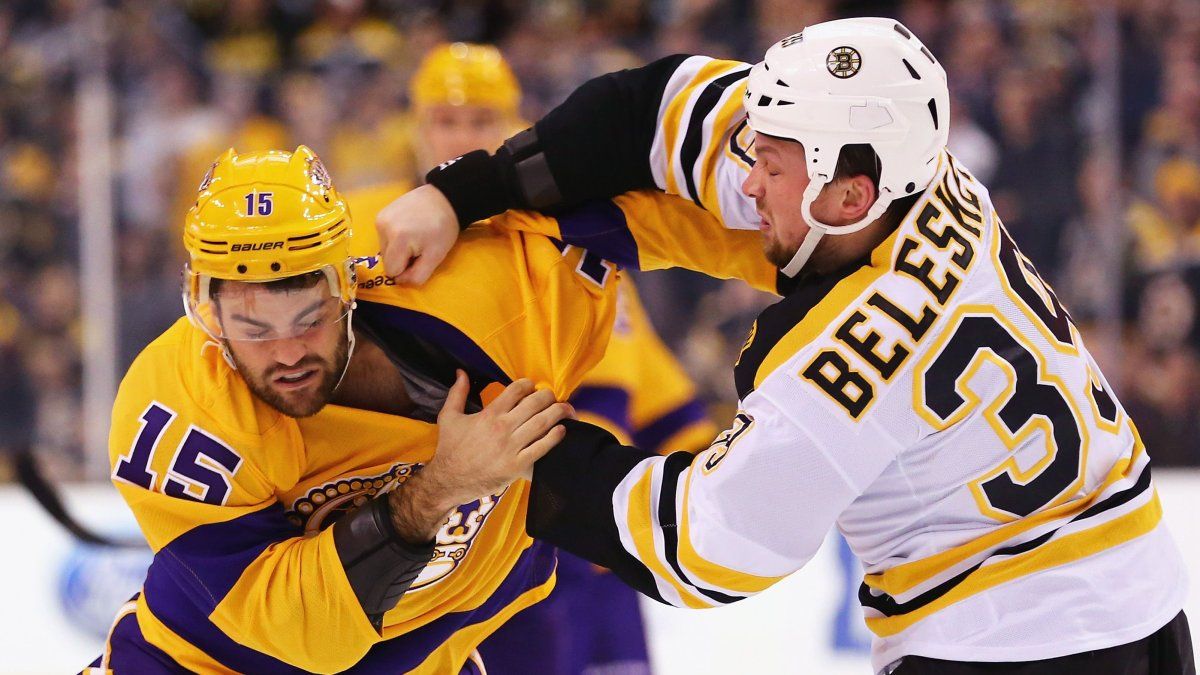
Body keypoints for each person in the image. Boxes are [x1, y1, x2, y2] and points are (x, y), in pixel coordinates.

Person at [374, 17, 1194, 675]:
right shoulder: (915, 171)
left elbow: (701, 546)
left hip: (1015, 648)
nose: (748, 180)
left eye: (770, 163)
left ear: (850, 195)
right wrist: (462, 192)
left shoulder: (849, 358)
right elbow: (650, 110)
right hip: (1145, 595)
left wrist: (502, 451)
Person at [85, 146, 717, 673]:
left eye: (309, 319)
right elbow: (309, 636)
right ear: (209, 314)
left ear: (346, 285)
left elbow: (701, 205)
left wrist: (792, 274)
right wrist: (443, 485)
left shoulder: (498, 293)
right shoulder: (176, 408)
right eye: (254, 329)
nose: (288, 354)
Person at [354, 43, 719, 675]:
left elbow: (616, 387)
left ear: (513, 127)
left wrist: (586, 513)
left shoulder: (560, 235)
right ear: (415, 127)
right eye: (445, 120)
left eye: (480, 120)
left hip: (535, 526)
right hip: (395, 514)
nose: (460, 136)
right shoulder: (358, 221)